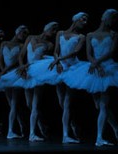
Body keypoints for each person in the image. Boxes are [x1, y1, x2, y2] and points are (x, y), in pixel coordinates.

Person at [63, 9, 118, 146]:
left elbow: (112, 52)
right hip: (94, 68)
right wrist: (94, 63)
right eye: (112, 18)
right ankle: (117, 129)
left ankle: (99, 138)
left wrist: (98, 63)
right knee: (98, 105)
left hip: (108, 69)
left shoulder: (114, 34)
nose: (114, 21)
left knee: (103, 104)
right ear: (105, 18)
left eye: (115, 19)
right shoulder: (90, 35)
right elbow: (89, 53)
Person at [13, 21, 59, 142]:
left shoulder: (49, 45)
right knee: (29, 103)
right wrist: (22, 66)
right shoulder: (30, 37)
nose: (54, 32)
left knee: (35, 104)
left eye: (56, 30)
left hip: (39, 72)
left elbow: (45, 60)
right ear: (46, 28)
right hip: (27, 72)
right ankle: (41, 125)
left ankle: (32, 133)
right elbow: (21, 55)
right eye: (53, 29)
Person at [47, 12, 88, 143]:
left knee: (67, 101)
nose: (85, 22)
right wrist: (57, 62)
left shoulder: (82, 36)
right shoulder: (60, 33)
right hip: (59, 66)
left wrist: (59, 59)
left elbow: (75, 52)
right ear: (75, 20)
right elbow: (56, 51)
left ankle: (65, 135)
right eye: (83, 19)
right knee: (61, 101)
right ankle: (73, 124)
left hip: (73, 68)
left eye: (86, 20)